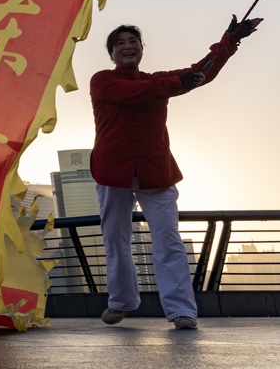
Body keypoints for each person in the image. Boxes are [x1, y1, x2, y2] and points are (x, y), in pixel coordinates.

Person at [90, 17, 260, 330]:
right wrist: (180, 82)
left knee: (168, 240)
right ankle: (121, 302)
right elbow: (136, 92)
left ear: (142, 49)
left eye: (133, 42)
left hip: (156, 171)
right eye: (120, 44)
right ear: (111, 54)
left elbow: (201, 72)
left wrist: (230, 40)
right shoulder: (102, 80)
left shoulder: (158, 80)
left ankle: (182, 311)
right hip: (112, 172)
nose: (128, 47)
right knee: (116, 240)